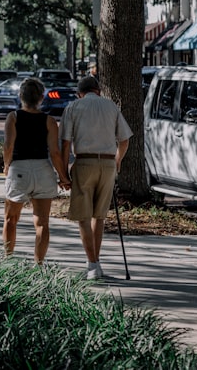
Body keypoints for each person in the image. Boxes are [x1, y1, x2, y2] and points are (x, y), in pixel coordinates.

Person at [58, 75, 132, 280]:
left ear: (79, 93)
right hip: (108, 163)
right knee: (98, 216)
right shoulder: (110, 106)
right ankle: (95, 262)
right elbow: (124, 140)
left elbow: (64, 144)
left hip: (84, 162)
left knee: (83, 216)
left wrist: (63, 174)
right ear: (98, 90)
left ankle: (93, 265)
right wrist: (117, 160)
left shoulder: (73, 107)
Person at [2, 77, 68, 265]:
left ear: (20, 96)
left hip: (19, 169)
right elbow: (55, 153)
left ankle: (8, 259)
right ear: (41, 97)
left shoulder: (13, 117)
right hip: (42, 170)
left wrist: (7, 166)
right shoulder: (49, 121)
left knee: (10, 219)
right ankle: (38, 264)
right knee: (42, 223)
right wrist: (63, 177)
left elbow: (8, 146)